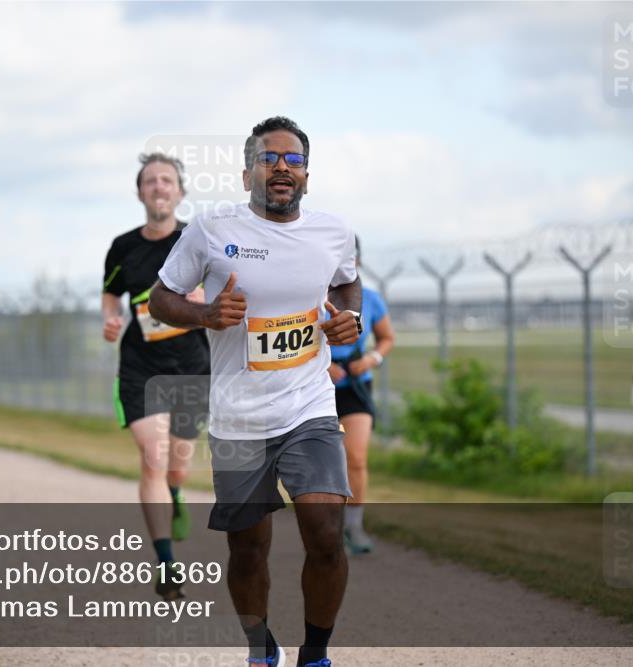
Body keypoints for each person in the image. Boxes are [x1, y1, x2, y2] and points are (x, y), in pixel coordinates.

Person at [149, 117, 361, 667]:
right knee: (247, 549)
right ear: (248, 175)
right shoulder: (211, 229)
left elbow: (345, 280)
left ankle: (314, 654)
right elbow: (160, 298)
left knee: (325, 531)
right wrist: (205, 314)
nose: (282, 168)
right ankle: (260, 647)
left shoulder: (334, 232)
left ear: (307, 176)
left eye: (293, 160)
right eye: (269, 159)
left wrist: (350, 318)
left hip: (309, 406)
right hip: (240, 418)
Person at [102, 153, 210, 601]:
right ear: (140, 192)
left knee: (177, 462)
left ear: (180, 192)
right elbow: (111, 295)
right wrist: (109, 319)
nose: (159, 187)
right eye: (151, 181)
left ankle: (174, 490)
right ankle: (166, 564)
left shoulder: (198, 239)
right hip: (140, 368)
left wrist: (202, 301)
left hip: (191, 367)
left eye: (167, 180)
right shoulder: (123, 246)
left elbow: (224, 288)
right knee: (154, 455)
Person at [328, 236, 395, 555]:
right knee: (326, 463)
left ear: (357, 262)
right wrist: (323, 366)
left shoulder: (370, 299)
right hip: (318, 388)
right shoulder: (311, 299)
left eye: (349, 258)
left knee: (355, 456)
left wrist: (371, 360)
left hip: (356, 386)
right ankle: (328, 526)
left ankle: (354, 526)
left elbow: (386, 339)